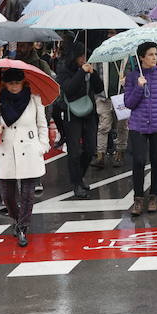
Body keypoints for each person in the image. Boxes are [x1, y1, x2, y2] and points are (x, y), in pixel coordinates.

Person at [0, 67, 47, 246]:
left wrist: (42, 146)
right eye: (10, 83)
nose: (14, 87)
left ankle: (22, 227)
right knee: (7, 196)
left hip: (29, 151)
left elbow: (42, 126)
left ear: (23, 82)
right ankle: (16, 218)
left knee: (28, 194)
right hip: (6, 151)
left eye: (17, 83)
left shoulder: (34, 101)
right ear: (4, 84)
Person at [123, 42, 157, 216]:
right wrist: (139, 87)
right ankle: (138, 199)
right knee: (138, 161)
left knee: (156, 160)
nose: (154, 57)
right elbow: (128, 104)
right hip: (138, 125)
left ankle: (154, 196)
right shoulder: (132, 77)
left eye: (155, 54)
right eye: (150, 54)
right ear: (142, 57)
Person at [56, 42, 103, 198]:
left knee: (90, 149)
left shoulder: (88, 68)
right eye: (81, 56)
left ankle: (80, 175)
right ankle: (76, 183)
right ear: (74, 56)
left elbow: (99, 88)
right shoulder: (64, 69)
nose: (84, 59)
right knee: (74, 151)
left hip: (89, 112)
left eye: (85, 56)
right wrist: (81, 73)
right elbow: (68, 89)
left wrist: (93, 74)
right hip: (72, 114)